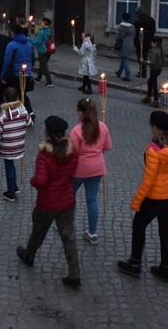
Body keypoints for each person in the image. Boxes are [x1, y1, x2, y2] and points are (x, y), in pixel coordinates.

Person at [117, 111, 168, 284]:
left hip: (156, 196)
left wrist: (137, 201)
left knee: (139, 225)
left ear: (155, 128)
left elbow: (149, 181)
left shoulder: (153, 151)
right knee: (166, 231)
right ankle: (165, 269)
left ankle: (134, 263)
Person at [16, 115, 81, 289]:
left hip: (47, 203)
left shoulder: (44, 156)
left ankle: (29, 256)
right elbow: (73, 171)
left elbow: (41, 180)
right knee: (69, 237)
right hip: (67, 200)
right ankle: (75, 274)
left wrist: (32, 181)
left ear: (48, 133)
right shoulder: (73, 151)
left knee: (38, 231)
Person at [70, 98, 112, 245]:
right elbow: (107, 147)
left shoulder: (76, 131)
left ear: (81, 113)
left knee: (70, 196)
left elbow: (72, 152)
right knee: (92, 199)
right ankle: (92, 232)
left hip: (79, 169)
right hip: (97, 167)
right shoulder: (102, 127)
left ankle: (66, 224)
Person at [0, 87, 32, 201]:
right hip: (19, 143)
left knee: (9, 166)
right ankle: (14, 185)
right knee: (11, 165)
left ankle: (11, 192)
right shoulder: (23, 110)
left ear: (4, 98)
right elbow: (29, 123)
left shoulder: (2, 115)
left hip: (8, 145)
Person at [0, 23, 35, 118]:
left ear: (12, 32)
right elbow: (33, 58)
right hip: (26, 73)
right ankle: (29, 112)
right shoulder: (29, 44)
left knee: (13, 93)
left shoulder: (11, 45)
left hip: (14, 74)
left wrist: (3, 76)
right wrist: (29, 70)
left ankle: (13, 114)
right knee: (22, 92)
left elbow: (7, 61)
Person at [30, 17, 54, 87]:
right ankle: (38, 78)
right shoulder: (50, 31)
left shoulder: (42, 32)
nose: (41, 23)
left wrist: (29, 40)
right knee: (42, 64)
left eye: (42, 22)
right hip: (48, 50)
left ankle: (49, 81)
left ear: (44, 23)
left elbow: (38, 42)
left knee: (44, 66)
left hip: (42, 50)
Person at [142, 37, 164, 108]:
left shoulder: (155, 52)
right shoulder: (160, 50)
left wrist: (144, 61)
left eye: (152, 43)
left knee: (153, 84)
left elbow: (152, 63)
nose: (151, 44)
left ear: (155, 43)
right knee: (150, 82)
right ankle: (148, 97)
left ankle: (156, 100)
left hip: (154, 69)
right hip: (158, 69)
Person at [134, 7, 156, 78]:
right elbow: (153, 30)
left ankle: (142, 72)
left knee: (140, 57)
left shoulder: (138, 22)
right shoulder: (151, 20)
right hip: (149, 41)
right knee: (145, 56)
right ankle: (144, 71)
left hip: (140, 41)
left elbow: (136, 33)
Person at [114, 12, 135, 81]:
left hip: (123, 44)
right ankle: (119, 72)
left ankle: (128, 75)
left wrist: (117, 41)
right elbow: (134, 35)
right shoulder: (132, 27)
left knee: (124, 59)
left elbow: (117, 36)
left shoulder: (120, 26)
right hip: (131, 43)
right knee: (124, 57)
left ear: (122, 18)